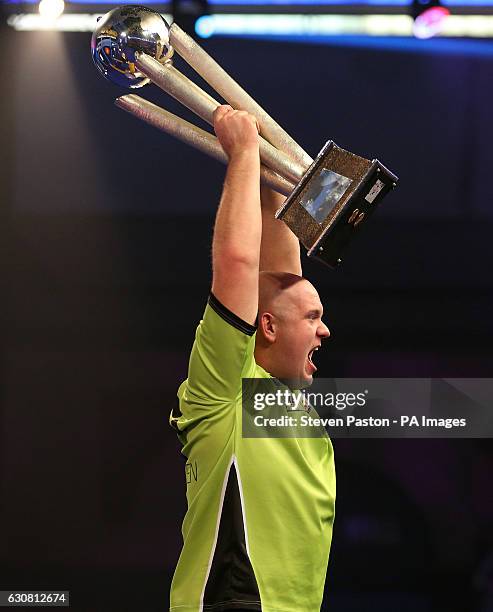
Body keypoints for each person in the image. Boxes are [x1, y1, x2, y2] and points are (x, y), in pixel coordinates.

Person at [169, 105, 336, 612]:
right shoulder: (223, 391)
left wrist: (271, 169)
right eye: (313, 318)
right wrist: (241, 154)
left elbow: (281, 272)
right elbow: (239, 263)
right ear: (266, 328)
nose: (325, 329)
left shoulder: (281, 397)